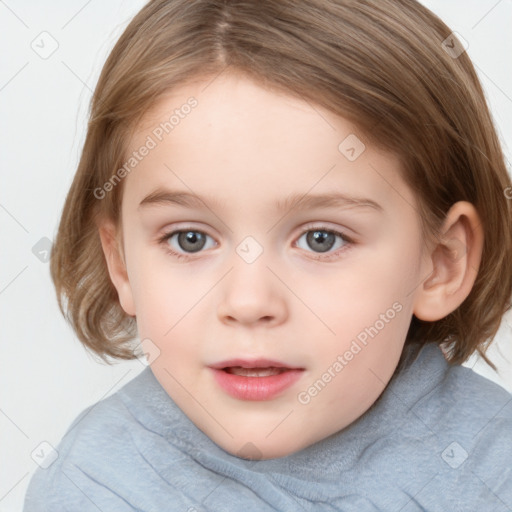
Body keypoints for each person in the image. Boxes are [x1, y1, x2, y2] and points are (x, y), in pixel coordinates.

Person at [24, 0, 512, 510]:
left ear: (440, 263)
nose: (249, 301)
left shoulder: (492, 469)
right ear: (121, 263)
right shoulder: (93, 486)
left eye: (321, 239)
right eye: (190, 238)